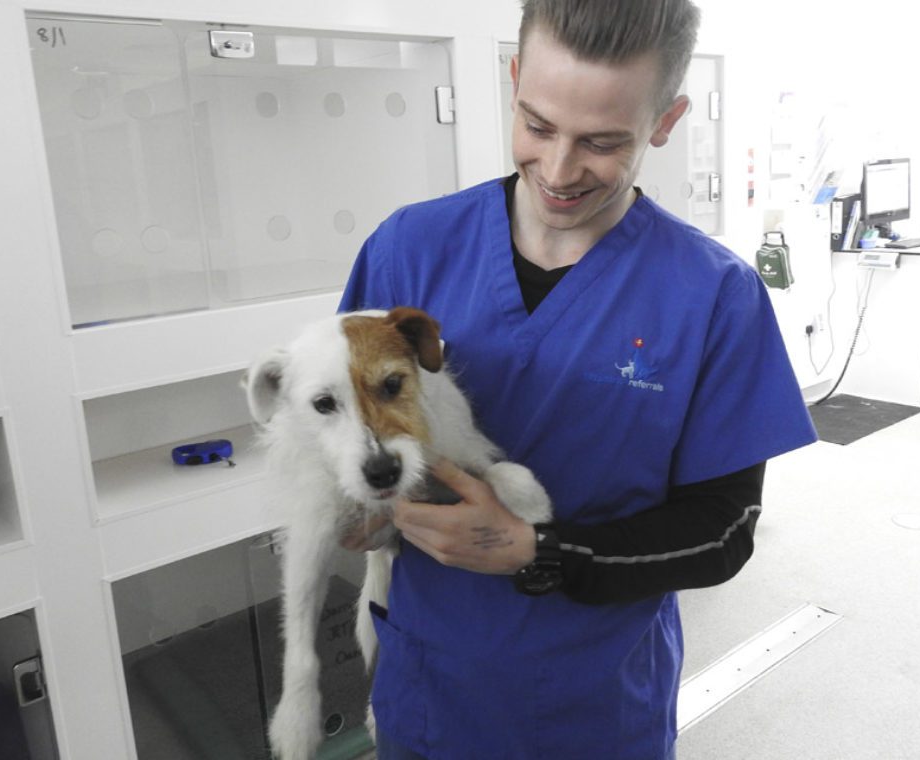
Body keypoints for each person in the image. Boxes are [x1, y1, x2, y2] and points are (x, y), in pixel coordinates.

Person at [338, 0, 818, 757]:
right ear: (515, 79)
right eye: (536, 125)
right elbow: (339, 423)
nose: (558, 172)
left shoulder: (711, 295)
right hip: (429, 694)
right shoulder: (408, 249)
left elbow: (724, 532)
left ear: (666, 119)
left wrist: (539, 550)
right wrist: (353, 505)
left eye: (601, 142)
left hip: (593, 709)